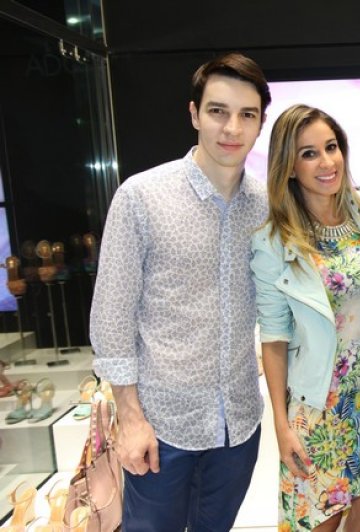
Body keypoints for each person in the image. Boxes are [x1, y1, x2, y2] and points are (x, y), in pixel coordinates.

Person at [90, 52, 270, 530]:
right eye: (218, 111)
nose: (232, 128)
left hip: (238, 424)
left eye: (247, 115)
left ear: (260, 124)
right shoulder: (141, 196)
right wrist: (130, 418)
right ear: (194, 114)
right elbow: (111, 316)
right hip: (161, 425)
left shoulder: (267, 205)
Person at [250, 104, 360, 531]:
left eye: (331, 147)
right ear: (289, 167)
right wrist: (281, 425)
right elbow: (274, 339)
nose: (326, 162)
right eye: (309, 153)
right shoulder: (273, 242)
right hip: (314, 406)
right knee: (318, 521)